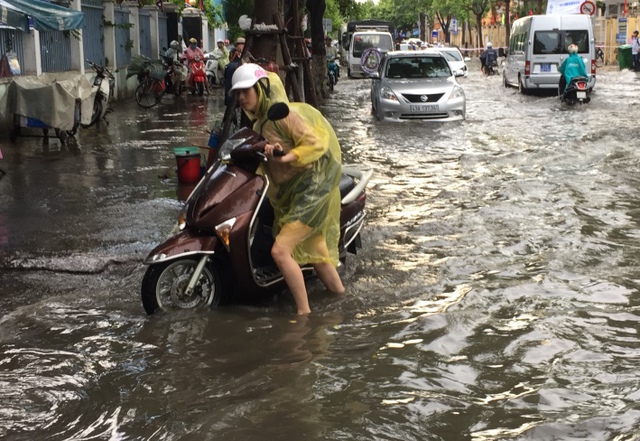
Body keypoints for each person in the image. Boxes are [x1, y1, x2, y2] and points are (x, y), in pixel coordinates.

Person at [229, 63, 345, 315]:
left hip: (313, 189)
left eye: (246, 91)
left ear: (260, 88)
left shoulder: (282, 115)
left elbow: (316, 144)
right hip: (293, 194)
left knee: (280, 251)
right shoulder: (260, 125)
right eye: (237, 93)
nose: (241, 98)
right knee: (317, 254)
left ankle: (304, 316)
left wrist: (286, 157)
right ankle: (342, 301)